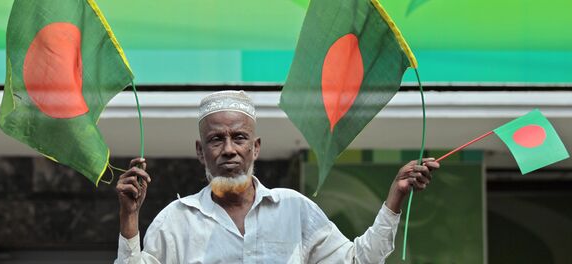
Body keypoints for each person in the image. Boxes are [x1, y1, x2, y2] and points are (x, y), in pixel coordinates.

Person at [114, 90, 439, 264]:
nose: (229, 149)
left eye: (239, 138)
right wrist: (130, 219)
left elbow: (357, 261)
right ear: (201, 151)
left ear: (255, 148)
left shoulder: (294, 210)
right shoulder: (176, 221)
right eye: (216, 140)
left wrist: (395, 198)